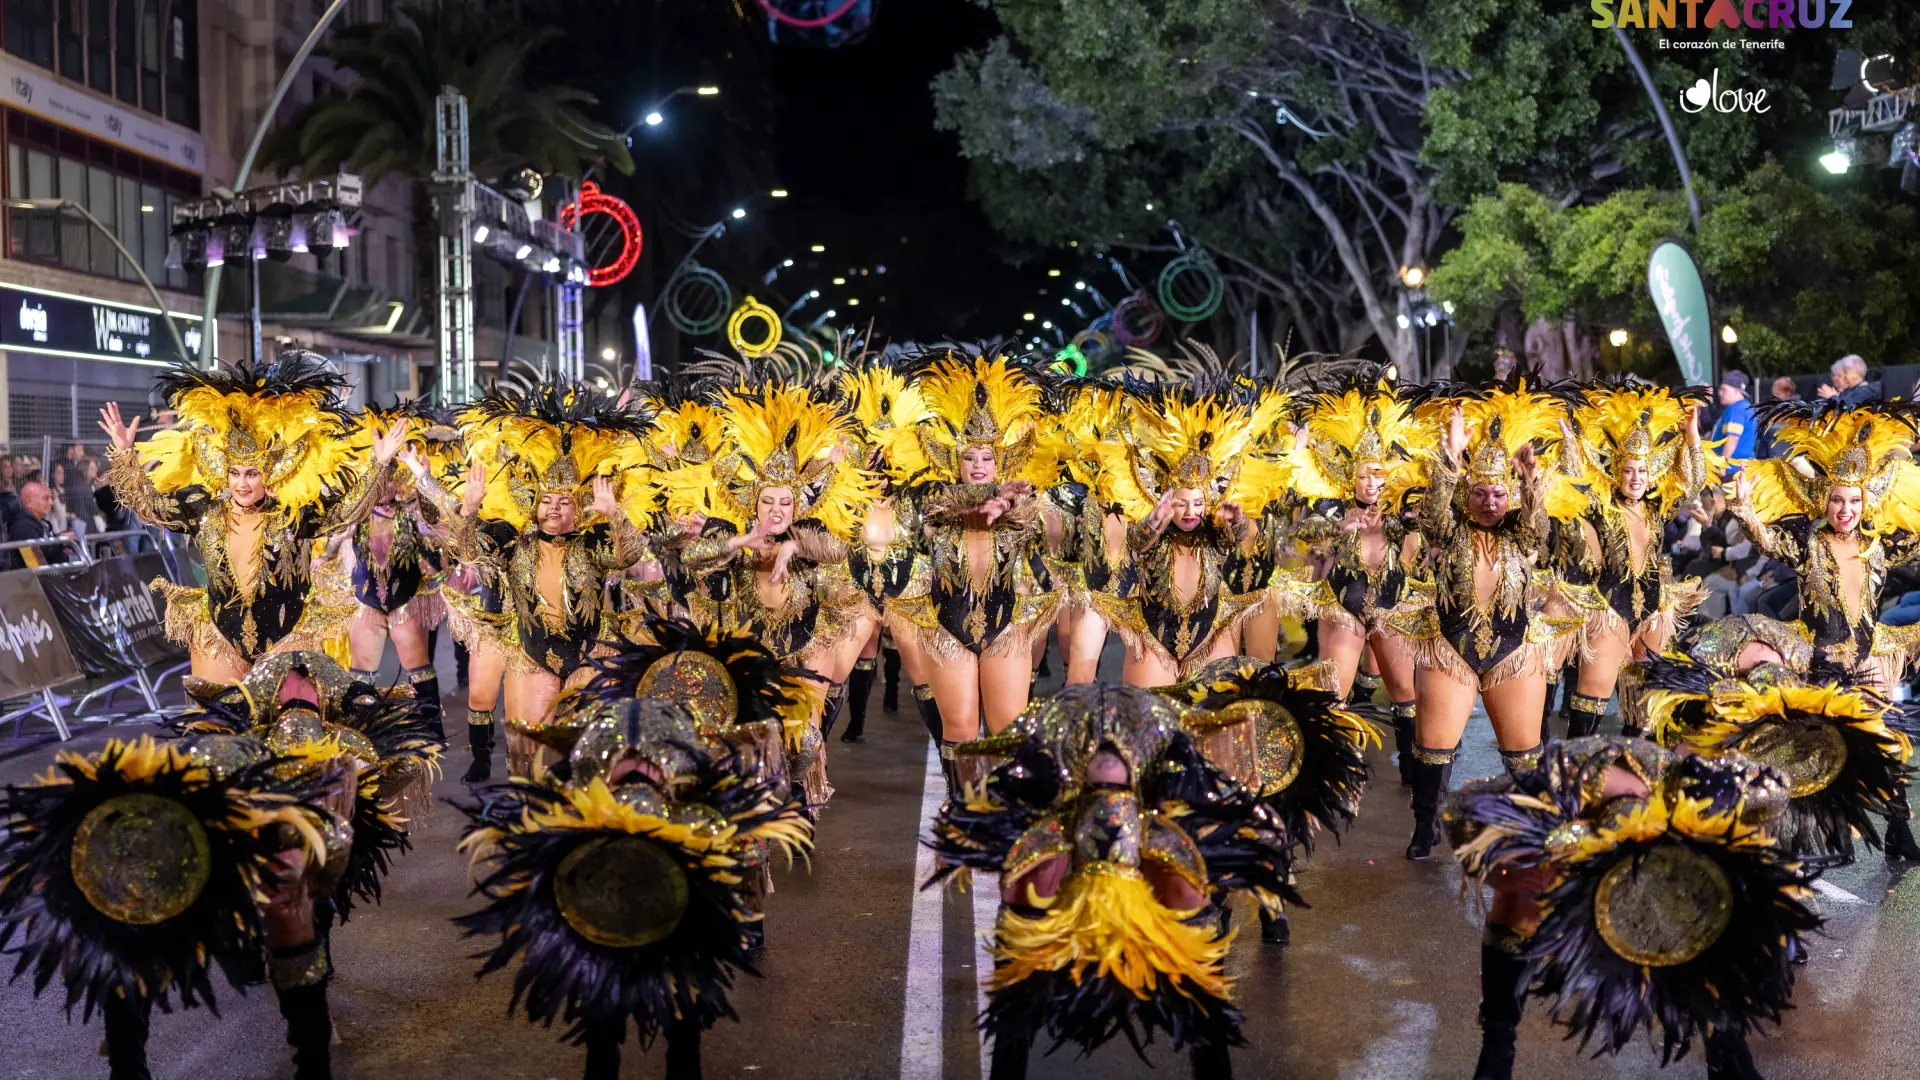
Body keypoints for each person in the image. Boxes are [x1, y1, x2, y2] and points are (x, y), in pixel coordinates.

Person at [456, 618, 814, 1080]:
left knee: (680, 1022)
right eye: (630, 765)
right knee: (605, 1026)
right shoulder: (599, 759)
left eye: (649, 764)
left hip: (672, 887)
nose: (640, 770)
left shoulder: (695, 792)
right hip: (606, 888)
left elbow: (745, 854)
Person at [927, 684, 1296, 1080]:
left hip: (1141, 787)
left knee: (1185, 939)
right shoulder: (1054, 776)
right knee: (1030, 919)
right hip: (1093, 795)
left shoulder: (1159, 771)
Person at [1448, 737, 1817, 1080]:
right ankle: (1497, 1045)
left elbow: (1775, 788)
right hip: (1568, 824)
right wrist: (1512, 874)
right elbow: (1461, 815)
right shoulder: (1544, 796)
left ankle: (1726, 1049)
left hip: (1673, 818)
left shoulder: (1708, 791)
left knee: (1709, 915)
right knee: (1518, 900)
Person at [98, 352, 404, 685]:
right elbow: (148, 505)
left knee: (292, 727)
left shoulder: (292, 514)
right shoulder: (204, 508)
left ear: (267, 475)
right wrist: (125, 453)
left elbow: (345, 513)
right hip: (220, 634)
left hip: (287, 636)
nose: (242, 484)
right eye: (235, 473)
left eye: (252, 473)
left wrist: (379, 464)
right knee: (216, 727)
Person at [403, 380, 649, 776]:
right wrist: (465, 508)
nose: (553, 510)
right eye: (546, 502)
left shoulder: (593, 540)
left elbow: (628, 554)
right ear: (533, 507)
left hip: (589, 654)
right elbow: (467, 551)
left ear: (579, 507)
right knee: (528, 758)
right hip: (532, 653)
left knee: (591, 758)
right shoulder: (512, 541)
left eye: (563, 502)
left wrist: (615, 514)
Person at [663, 382, 882, 812]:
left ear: (798, 506)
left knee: (806, 734)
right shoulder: (732, 533)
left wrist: (793, 547)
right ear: (755, 502)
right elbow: (694, 557)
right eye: (768, 501)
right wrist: (743, 542)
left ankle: (803, 807)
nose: (776, 510)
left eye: (786, 502)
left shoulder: (809, 532)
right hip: (751, 645)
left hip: (806, 640)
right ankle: (756, 813)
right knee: (752, 737)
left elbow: (836, 548)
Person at [1388, 385, 1576, 859]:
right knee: (1433, 745)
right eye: (1480, 494)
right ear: (1466, 495)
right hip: (1451, 647)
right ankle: (1424, 824)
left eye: (1498, 494)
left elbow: (1540, 529)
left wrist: (1531, 480)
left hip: (1515, 651)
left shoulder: (1520, 530)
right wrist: (1450, 457)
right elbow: (1431, 515)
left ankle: (1529, 826)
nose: (1490, 502)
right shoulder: (1449, 530)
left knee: (1522, 752)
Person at [876, 351, 1066, 795]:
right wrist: (986, 497)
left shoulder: (1022, 501)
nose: (979, 465)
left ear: (1001, 461)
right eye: (970, 458)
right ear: (954, 462)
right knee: (959, 729)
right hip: (947, 626)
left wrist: (1009, 503)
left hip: (1007, 628)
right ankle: (964, 812)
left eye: (987, 457)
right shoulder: (932, 501)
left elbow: (1047, 527)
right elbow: (924, 515)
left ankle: (1001, 816)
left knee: (1005, 731)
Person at [1273, 373, 1431, 781]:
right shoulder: (1332, 504)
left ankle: (1413, 771)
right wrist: (1339, 527)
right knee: (1333, 697)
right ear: (1352, 476)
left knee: (1405, 697)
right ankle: (1332, 774)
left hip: (1393, 610)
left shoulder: (1402, 508)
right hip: (1344, 609)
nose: (1374, 484)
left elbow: (1432, 528)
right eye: (1365, 476)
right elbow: (1302, 533)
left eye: (1380, 477)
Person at [1090, 383, 1282, 688]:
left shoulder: (1212, 531)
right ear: (1167, 500)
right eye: (1181, 503)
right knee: (1154, 725)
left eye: (1198, 503)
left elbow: (1235, 537)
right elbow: (1137, 542)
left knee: (1215, 723)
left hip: (1210, 636)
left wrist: (1237, 519)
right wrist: (1156, 519)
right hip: (1154, 639)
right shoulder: (1156, 529)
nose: (1190, 511)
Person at [3, 480, 75, 569]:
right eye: (46, 498)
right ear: (29, 502)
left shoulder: (42, 523)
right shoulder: (24, 529)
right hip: (35, 580)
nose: (51, 503)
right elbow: (35, 564)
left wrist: (60, 540)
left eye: (51, 498)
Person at [1712, 370, 1756, 463]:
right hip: (1742, 467)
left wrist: (1722, 466)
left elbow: (1733, 438)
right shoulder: (1746, 407)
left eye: (1724, 390)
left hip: (1732, 470)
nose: (1720, 393)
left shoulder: (1736, 409)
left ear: (1736, 390)